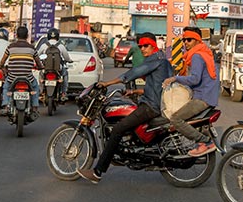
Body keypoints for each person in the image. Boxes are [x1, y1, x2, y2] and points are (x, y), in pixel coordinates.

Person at [78, 32, 172, 184]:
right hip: (155, 102)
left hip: (151, 106)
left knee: (117, 129)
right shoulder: (163, 60)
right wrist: (134, 91)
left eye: (145, 46)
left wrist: (108, 83)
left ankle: (98, 172)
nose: (142, 49)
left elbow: (133, 73)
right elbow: (157, 87)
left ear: (153, 45)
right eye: (140, 46)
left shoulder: (155, 60)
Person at [162, 27, 219, 157]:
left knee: (175, 118)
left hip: (202, 97)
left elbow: (195, 79)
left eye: (189, 40)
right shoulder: (205, 53)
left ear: (197, 40)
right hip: (208, 95)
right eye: (184, 40)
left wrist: (175, 78)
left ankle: (205, 142)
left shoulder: (197, 56)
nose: (185, 43)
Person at [0, 26, 43, 115]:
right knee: (35, 87)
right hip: (28, 77)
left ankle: (6, 105)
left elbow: (3, 60)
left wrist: (0, 66)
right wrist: (40, 67)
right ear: (27, 36)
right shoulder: (32, 48)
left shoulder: (10, 47)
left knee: (6, 88)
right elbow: (38, 62)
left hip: (12, 77)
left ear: (16, 35)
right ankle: (35, 106)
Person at [36, 28, 71, 100]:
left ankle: (41, 92)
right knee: (65, 74)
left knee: (41, 75)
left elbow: (37, 55)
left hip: (46, 68)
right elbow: (67, 58)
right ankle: (64, 93)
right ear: (57, 36)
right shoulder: (61, 46)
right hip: (58, 68)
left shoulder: (44, 45)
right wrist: (69, 60)